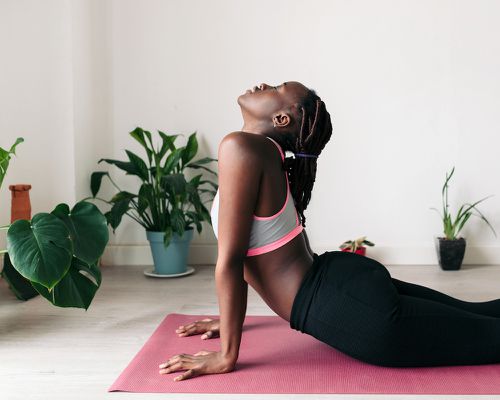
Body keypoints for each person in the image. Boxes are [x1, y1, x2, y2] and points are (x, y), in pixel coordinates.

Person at [159, 81, 500, 381]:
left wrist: (226, 354)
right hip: (343, 287)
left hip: (349, 303)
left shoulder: (242, 147)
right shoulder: (260, 153)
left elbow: (232, 260)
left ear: (282, 119)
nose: (264, 84)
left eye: (276, 89)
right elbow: (250, 254)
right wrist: (227, 320)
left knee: (489, 333)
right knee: (484, 315)